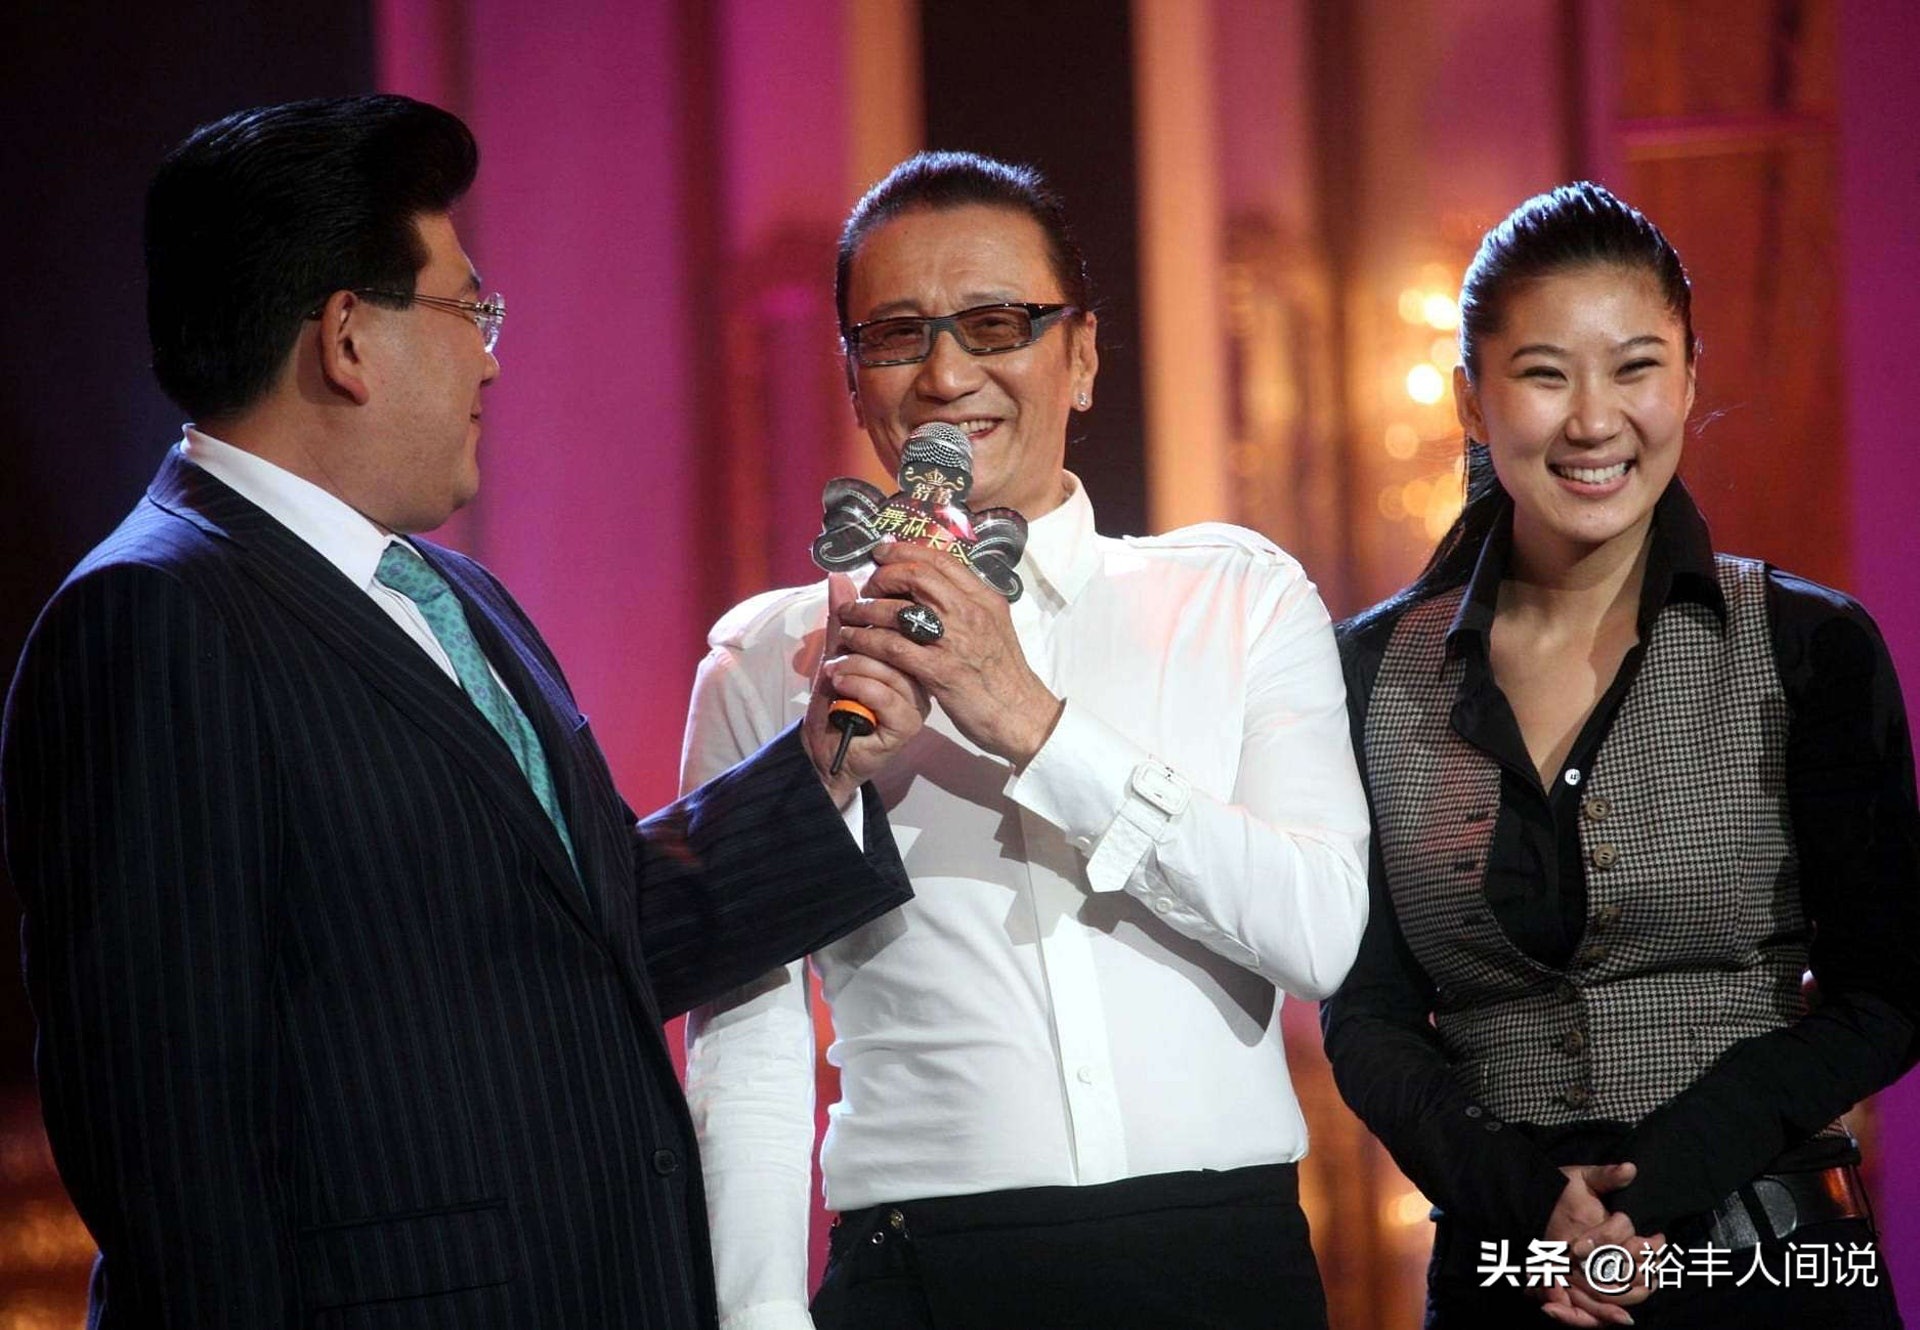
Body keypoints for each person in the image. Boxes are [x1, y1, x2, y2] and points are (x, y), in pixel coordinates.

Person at [0, 94, 926, 1330]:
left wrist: (820, 766)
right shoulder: (152, 616)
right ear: (347, 339)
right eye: (468, 312)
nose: (490, 358)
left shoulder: (454, 595)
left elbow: (595, 932)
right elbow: (169, 1136)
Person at [679, 150, 1370, 1330]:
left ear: (1082, 357)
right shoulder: (773, 660)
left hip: (1218, 1260)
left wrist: (1033, 723)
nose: (948, 374)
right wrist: (758, 1314)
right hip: (922, 1271)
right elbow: (748, 1036)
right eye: (897, 335)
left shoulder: (1236, 597)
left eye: (995, 325)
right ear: (853, 377)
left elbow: (1320, 932)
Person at [1323, 181, 1919, 1329]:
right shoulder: (1369, 674)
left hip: (1768, 1258)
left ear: (1689, 380)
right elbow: (1371, 1015)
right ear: (1471, 399)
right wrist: (1530, 1204)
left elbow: (1887, 994)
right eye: (1546, 374)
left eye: (1636, 367)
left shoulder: (1809, 645)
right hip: (1509, 1274)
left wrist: (1649, 1194)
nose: (1594, 420)